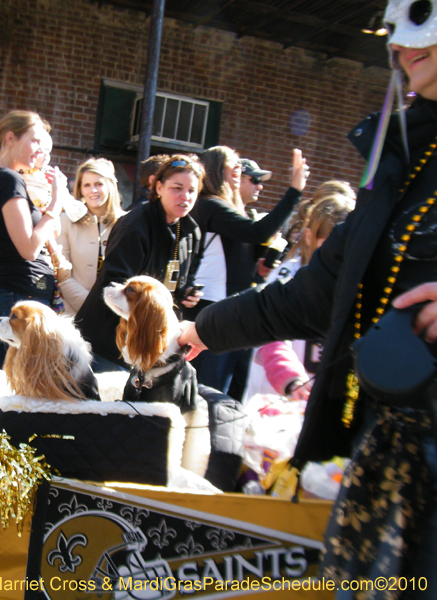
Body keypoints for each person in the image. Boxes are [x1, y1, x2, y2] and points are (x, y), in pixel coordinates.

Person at [179, 1, 437, 588]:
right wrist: (200, 329)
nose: (402, 43)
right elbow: (312, 297)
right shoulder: (402, 153)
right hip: (388, 460)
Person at [186, 146, 307, 400]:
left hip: (235, 310)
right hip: (211, 309)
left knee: (232, 391)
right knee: (209, 391)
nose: (241, 172)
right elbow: (256, 232)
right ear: (218, 170)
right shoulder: (210, 205)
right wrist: (294, 191)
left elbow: (244, 253)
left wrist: (260, 269)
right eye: (235, 167)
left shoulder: (232, 209)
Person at [75, 154, 205, 370]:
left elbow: (178, 282)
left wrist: (186, 293)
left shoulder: (191, 231)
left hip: (150, 347)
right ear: (159, 187)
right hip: (108, 345)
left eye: (192, 190)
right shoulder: (136, 224)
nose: (185, 196)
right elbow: (113, 285)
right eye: (177, 188)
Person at [242, 181, 356, 402]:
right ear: (309, 237)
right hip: (279, 394)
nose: (336, 259)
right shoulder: (289, 275)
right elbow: (270, 334)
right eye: (328, 249)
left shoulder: (352, 282)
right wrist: (289, 378)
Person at [0, 110, 67, 367]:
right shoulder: (7, 179)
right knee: (25, 383)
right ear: (10, 138)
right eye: (35, 141)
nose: (40, 151)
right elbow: (28, 248)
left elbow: (41, 235)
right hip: (23, 292)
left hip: (19, 290)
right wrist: (55, 203)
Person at [54, 158, 125, 315]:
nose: (93, 190)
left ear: (110, 185)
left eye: (99, 184)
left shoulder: (126, 222)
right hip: (73, 314)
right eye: (87, 185)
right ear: (80, 189)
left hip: (115, 315)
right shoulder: (65, 221)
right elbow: (62, 274)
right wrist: (92, 307)